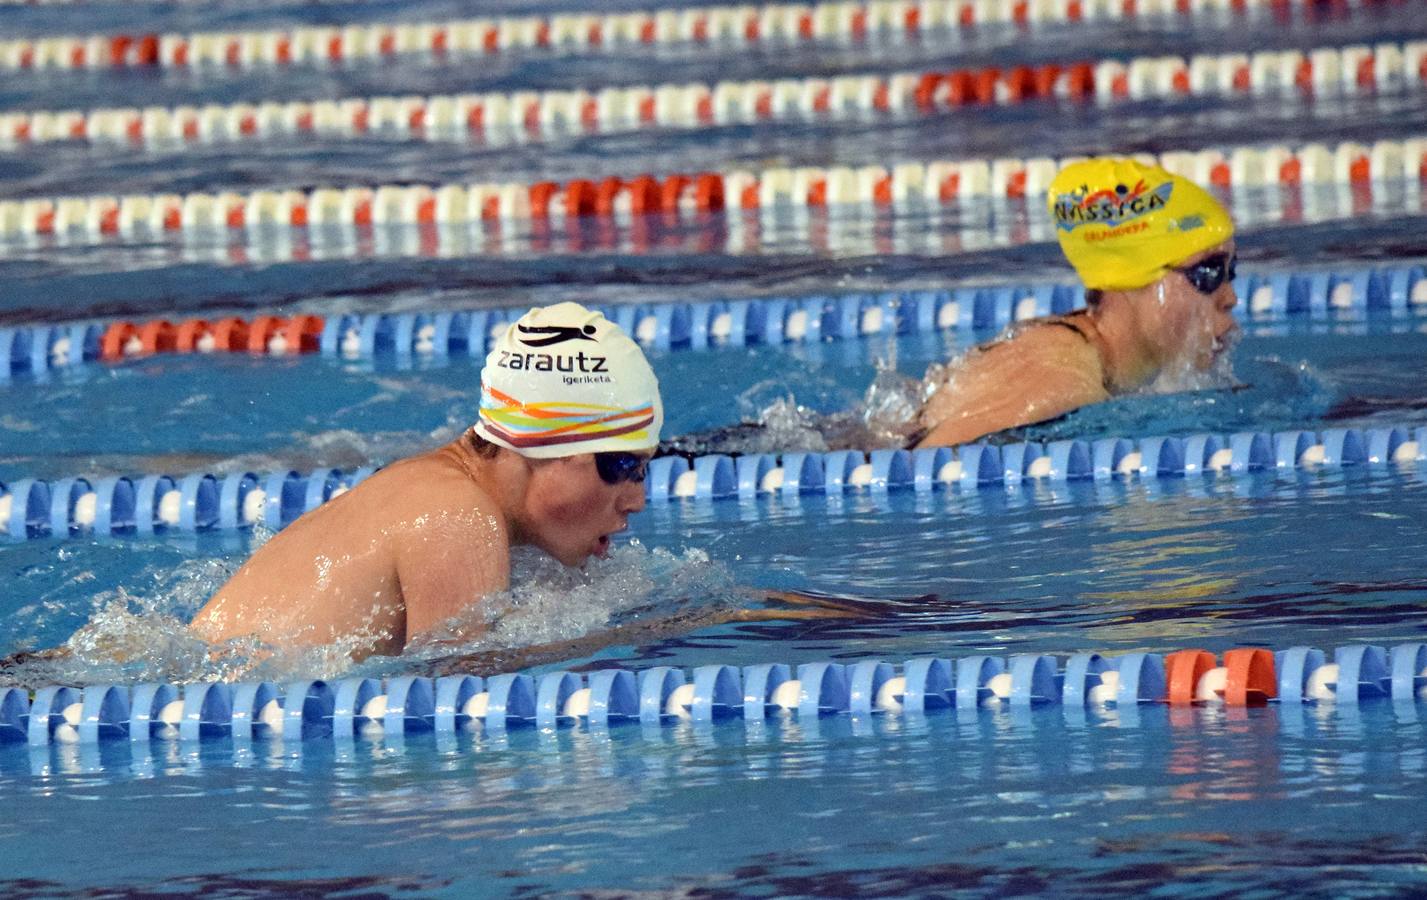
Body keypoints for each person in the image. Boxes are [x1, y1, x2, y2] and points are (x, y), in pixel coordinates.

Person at [190, 301, 666, 661]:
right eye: (623, 466)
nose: (637, 500)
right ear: (542, 447)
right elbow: (460, 692)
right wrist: (660, 630)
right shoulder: (458, 516)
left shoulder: (439, 488)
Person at [913, 157, 1240, 448]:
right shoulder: (1060, 380)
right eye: (1208, 273)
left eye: (1231, 272)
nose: (1230, 297)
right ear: (1133, 278)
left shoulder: (1114, 369)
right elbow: (915, 469)